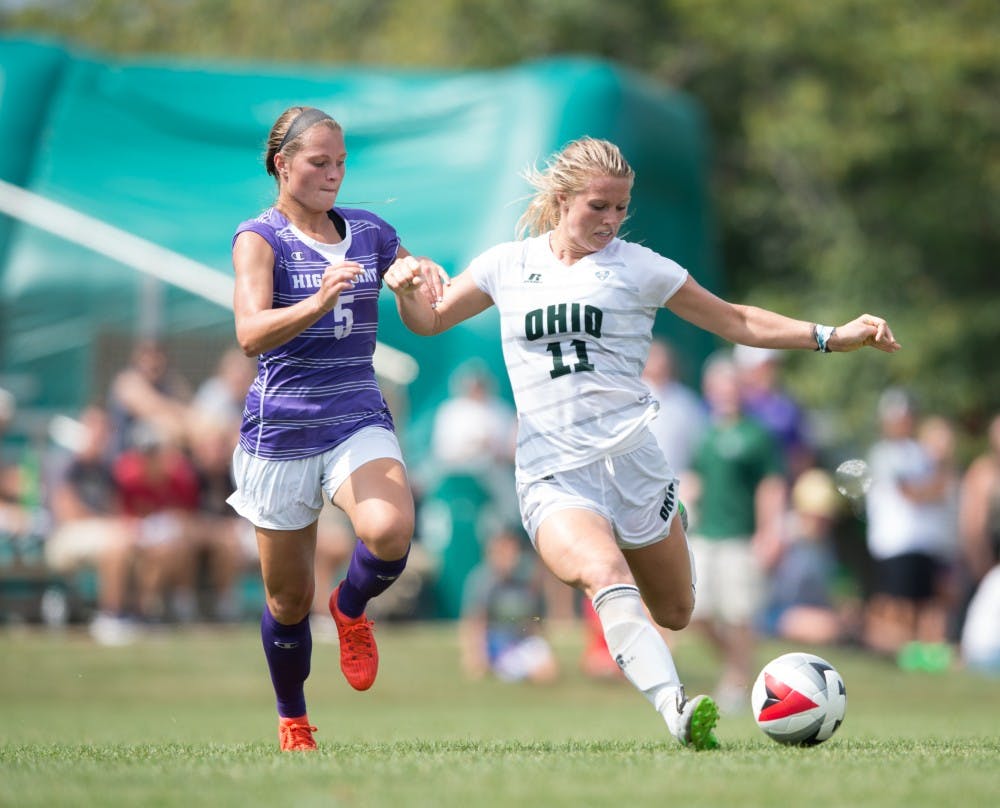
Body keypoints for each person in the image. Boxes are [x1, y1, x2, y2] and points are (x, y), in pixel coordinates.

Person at [385, 136, 900, 750]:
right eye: (597, 206)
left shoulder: (641, 267)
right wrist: (406, 286)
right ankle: (675, 707)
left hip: (634, 464)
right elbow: (430, 318)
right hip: (552, 470)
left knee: (677, 610)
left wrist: (829, 336)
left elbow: (733, 319)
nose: (610, 221)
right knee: (601, 572)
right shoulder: (506, 263)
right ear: (561, 199)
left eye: (620, 209)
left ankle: (664, 530)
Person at [226, 106, 446, 752]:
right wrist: (318, 299)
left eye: (341, 163)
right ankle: (293, 718)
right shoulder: (259, 239)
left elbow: (427, 320)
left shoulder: (373, 233)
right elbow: (248, 334)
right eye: (319, 162)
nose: (332, 174)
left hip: (354, 413)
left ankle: (349, 608)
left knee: (388, 529)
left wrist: (410, 284)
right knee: (288, 600)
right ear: (281, 164)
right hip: (282, 432)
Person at [684, 352, 787, 714]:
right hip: (706, 535)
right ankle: (739, 668)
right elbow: (695, 480)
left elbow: (770, 486)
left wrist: (770, 532)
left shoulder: (756, 435)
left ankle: (736, 680)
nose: (724, 393)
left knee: (739, 615)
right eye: (718, 386)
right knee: (697, 614)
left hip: (741, 536)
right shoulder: (707, 435)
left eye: (730, 385)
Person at [862, 389, 955, 663]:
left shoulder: (919, 453)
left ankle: (914, 657)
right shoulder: (884, 453)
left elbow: (938, 488)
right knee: (895, 605)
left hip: (922, 541)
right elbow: (913, 493)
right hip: (895, 541)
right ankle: (891, 654)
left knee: (923, 604)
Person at [459, 525, 558, 684]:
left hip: (521, 643)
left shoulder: (525, 580)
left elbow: (534, 621)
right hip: (498, 648)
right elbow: (475, 622)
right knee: (540, 673)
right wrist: (476, 657)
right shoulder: (484, 581)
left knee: (548, 669)